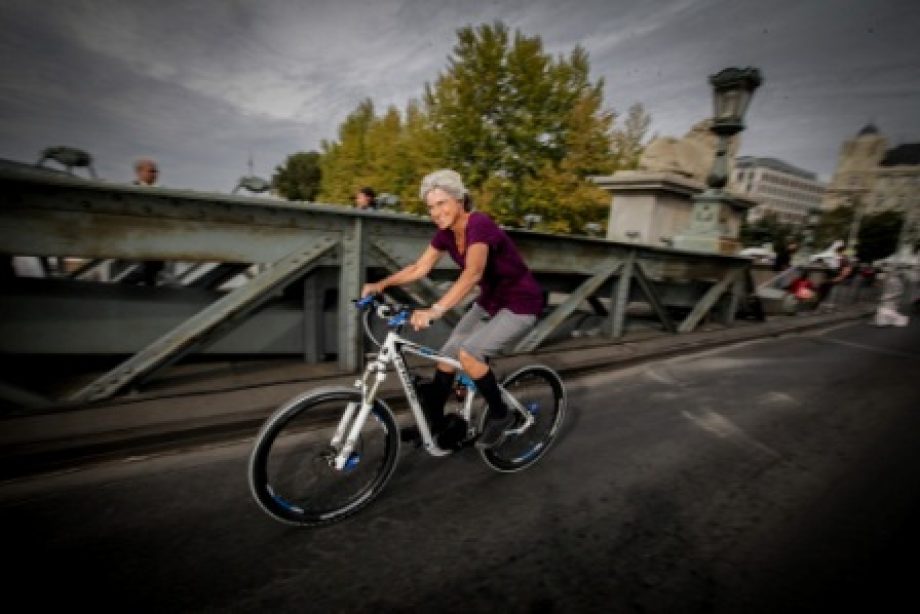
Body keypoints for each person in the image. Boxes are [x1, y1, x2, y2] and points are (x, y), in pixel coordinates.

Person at [361, 169, 544, 449]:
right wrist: (381, 284)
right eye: (430, 207)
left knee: (470, 353)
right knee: (446, 356)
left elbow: (473, 273)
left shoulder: (479, 224)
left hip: (520, 303)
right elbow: (419, 267)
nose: (436, 212)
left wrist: (435, 310)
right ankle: (433, 422)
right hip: (490, 301)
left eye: (442, 203)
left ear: (459, 200)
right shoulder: (445, 234)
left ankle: (501, 414)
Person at [815, 244, 852, 309]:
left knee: (826, 289)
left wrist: (841, 276)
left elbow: (846, 268)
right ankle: (819, 302)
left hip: (830, 276)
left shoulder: (842, 258)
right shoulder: (837, 257)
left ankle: (821, 302)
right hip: (828, 276)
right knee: (824, 289)